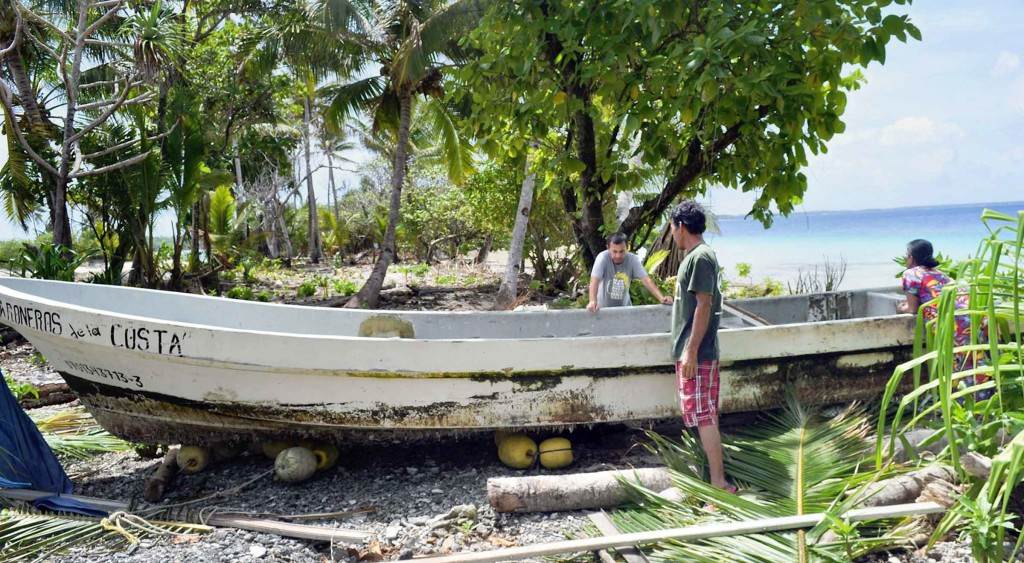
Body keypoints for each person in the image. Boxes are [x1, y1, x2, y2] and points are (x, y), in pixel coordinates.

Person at [669, 201, 733, 493]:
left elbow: (704, 305)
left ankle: (718, 483)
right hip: (695, 350)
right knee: (702, 415)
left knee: (705, 416)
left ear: (681, 227)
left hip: (699, 352)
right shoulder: (698, 257)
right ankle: (712, 478)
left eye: (672, 228)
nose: (672, 235)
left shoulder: (700, 258)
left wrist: (691, 350)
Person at [898, 239, 991, 399]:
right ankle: (986, 403)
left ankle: (964, 405)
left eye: (907, 256)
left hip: (953, 323)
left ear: (912, 258)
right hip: (974, 318)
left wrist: (900, 308)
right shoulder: (940, 274)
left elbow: (912, 309)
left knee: (957, 365)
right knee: (976, 361)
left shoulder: (910, 274)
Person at [586, 233, 672, 312]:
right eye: (614, 251)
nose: (618, 255)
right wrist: (592, 301)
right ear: (608, 248)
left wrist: (661, 298)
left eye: (622, 251)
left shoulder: (633, 259)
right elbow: (594, 281)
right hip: (602, 311)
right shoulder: (602, 258)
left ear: (627, 248)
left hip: (625, 310)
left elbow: (646, 280)